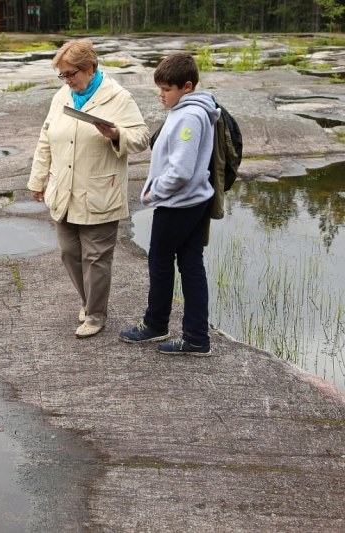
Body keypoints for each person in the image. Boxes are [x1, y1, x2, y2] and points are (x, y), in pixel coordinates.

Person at [28, 39, 150, 339]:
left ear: (90, 68)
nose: (67, 80)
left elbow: (142, 137)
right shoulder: (62, 95)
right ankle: (88, 300)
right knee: (69, 253)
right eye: (63, 75)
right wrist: (37, 179)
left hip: (100, 192)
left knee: (96, 258)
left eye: (71, 74)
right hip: (63, 190)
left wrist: (117, 134)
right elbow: (46, 139)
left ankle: (96, 315)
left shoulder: (118, 97)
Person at [119, 52, 220, 356]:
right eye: (159, 89)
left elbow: (182, 170)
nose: (161, 95)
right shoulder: (189, 110)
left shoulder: (190, 116)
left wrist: (154, 193)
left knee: (160, 262)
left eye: (166, 89)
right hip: (193, 200)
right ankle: (196, 337)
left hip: (180, 203)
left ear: (187, 86)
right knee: (190, 265)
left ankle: (156, 324)